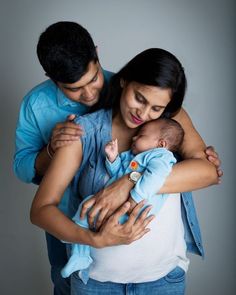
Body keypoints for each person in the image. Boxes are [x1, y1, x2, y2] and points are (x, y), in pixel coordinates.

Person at [30, 48, 219, 295]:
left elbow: (208, 172)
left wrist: (128, 184)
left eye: (156, 107)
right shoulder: (84, 132)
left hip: (162, 281)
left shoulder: (169, 125)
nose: (143, 114)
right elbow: (40, 210)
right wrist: (94, 239)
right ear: (124, 80)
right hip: (95, 285)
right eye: (139, 98)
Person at [60, 117, 185, 281]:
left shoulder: (161, 156)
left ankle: (79, 250)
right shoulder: (133, 157)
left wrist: (134, 199)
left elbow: (156, 177)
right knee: (87, 210)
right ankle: (80, 255)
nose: (134, 137)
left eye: (141, 135)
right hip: (123, 207)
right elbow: (117, 176)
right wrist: (113, 159)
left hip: (134, 209)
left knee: (87, 209)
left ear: (161, 144)